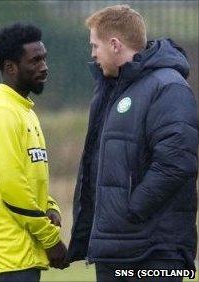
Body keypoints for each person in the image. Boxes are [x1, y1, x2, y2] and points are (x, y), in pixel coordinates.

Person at [68, 5, 198, 282]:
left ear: (115, 44)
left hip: (154, 252)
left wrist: (131, 210)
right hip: (117, 249)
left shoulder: (167, 87)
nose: (92, 54)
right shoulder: (109, 89)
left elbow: (177, 161)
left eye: (95, 45)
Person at [0, 23, 69, 282]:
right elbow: (12, 187)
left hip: (22, 255)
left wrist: (51, 207)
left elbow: (28, 177)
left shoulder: (24, 111)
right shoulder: (0, 112)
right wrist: (50, 240)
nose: (44, 66)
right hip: (5, 259)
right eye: (35, 60)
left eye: (45, 58)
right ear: (10, 67)